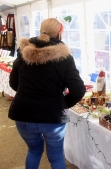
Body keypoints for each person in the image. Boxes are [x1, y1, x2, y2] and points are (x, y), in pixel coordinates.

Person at [9, 18, 86, 169]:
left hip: (23, 113)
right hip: (53, 116)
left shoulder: (23, 52)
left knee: (34, 150)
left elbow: (14, 84)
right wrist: (62, 103)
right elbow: (79, 90)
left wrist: (29, 93)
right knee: (56, 156)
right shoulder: (64, 57)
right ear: (59, 33)